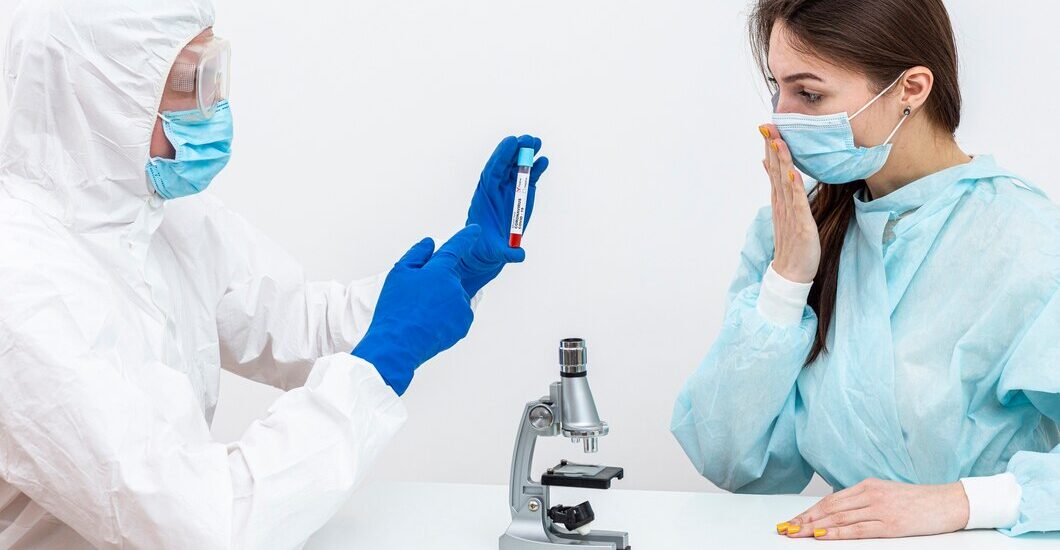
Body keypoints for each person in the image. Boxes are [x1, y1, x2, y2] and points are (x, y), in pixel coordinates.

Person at [0, 1, 548, 548]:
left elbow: (295, 322)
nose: (215, 107)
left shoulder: (147, 214)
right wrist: (382, 358)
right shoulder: (24, 292)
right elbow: (207, 529)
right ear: (96, 99)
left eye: (215, 72)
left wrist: (449, 275)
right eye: (190, 82)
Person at [671, 0, 1058, 540]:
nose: (781, 117)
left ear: (911, 89)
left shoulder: (1026, 238)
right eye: (778, 88)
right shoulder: (794, 230)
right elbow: (732, 461)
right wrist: (787, 281)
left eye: (809, 94)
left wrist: (960, 503)